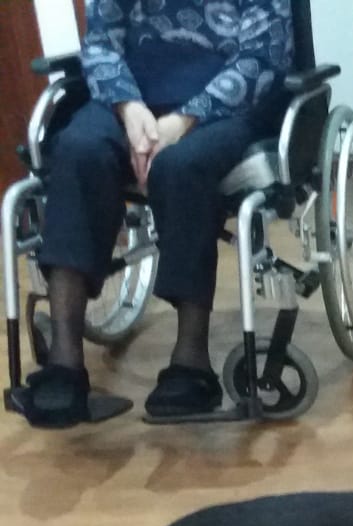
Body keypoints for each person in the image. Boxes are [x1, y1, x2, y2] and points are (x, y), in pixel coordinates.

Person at [15, 0, 293, 429]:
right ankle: (65, 364)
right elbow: (102, 44)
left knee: (180, 167)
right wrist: (130, 109)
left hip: (224, 104)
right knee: (78, 151)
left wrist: (184, 119)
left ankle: (191, 361)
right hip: (131, 99)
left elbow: (264, 57)